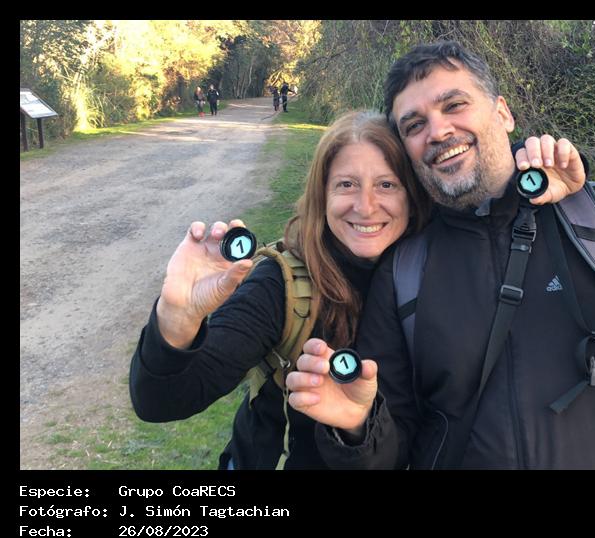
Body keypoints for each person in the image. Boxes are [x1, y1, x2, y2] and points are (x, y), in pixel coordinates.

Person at [288, 41, 595, 470]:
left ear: (503, 113)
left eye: (454, 105)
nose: (438, 130)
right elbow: (391, 448)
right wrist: (357, 427)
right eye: (414, 125)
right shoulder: (405, 269)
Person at [129, 110, 433, 469]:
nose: (365, 207)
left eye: (386, 185)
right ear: (322, 195)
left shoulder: (436, 279)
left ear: (412, 197)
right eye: (346, 185)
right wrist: (177, 318)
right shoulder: (282, 285)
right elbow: (161, 401)